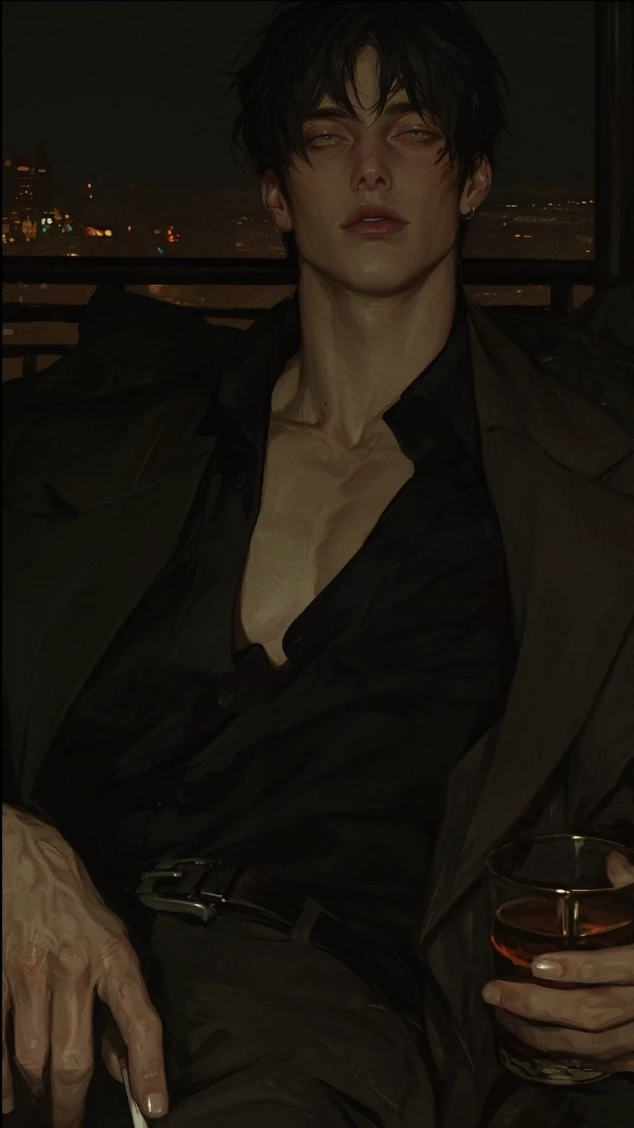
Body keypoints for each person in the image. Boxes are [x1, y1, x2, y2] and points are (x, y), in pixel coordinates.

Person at [2, 2, 633, 1127]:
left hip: (311, 1022)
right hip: (42, 973)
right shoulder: (111, 456)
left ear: (473, 180)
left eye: (414, 128)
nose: (371, 165)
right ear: (275, 192)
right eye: (328, 131)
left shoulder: (574, 490)